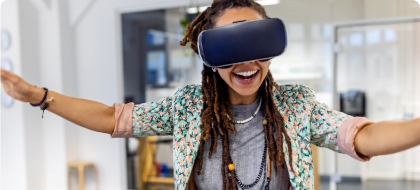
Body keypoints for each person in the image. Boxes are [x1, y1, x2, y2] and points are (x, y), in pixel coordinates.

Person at [1, 0, 420, 189]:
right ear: (210, 57)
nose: (247, 62)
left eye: (256, 46)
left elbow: (363, 136)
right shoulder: (187, 108)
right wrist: (37, 95)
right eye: (231, 49)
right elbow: (114, 119)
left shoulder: (296, 104)